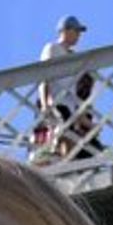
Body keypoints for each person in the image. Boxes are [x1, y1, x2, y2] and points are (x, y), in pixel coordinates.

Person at [38, 14, 92, 156]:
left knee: (77, 139)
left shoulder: (73, 56)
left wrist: (82, 115)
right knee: (65, 136)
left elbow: (74, 90)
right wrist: (45, 103)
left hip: (69, 104)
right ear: (66, 30)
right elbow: (44, 76)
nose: (79, 36)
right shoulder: (52, 48)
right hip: (57, 101)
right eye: (76, 31)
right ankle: (61, 161)